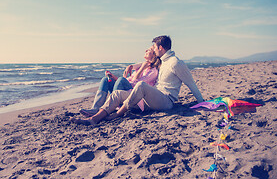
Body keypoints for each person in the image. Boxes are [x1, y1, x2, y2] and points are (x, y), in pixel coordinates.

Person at [70, 35, 204, 125]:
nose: (154, 51)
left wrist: (203, 104)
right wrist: (132, 66)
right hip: (152, 98)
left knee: (141, 85)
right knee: (117, 94)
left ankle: (118, 113)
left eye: (155, 48)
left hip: (166, 101)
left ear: (161, 48)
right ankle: (94, 118)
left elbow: (191, 84)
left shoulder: (176, 63)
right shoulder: (162, 62)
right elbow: (144, 63)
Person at [79, 48, 161, 117]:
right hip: (124, 92)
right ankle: (96, 108)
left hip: (134, 99)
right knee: (106, 79)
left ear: (154, 55)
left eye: (149, 50)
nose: (146, 50)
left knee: (121, 79)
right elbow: (127, 81)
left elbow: (137, 85)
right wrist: (113, 76)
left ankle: (111, 107)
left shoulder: (153, 72)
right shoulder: (140, 66)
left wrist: (142, 68)